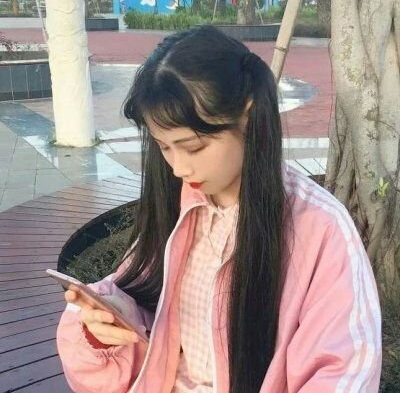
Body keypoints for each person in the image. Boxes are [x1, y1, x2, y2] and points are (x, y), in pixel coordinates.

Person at [56, 25, 382, 393]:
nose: (178, 168)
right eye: (164, 147)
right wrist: (109, 318)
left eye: (193, 147)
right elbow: (149, 306)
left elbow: (341, 372)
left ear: (248, 116)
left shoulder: (319, 227)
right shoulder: (180, 207)